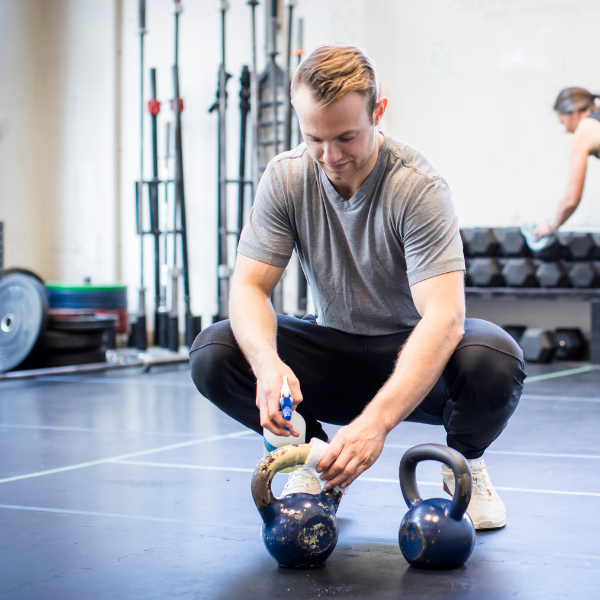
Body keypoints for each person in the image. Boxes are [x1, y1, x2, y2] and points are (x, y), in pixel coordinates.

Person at [190, 45, 525, 530]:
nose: (331, 156)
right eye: (315, 139)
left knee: (494, 356)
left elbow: (444, 317)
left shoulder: (418, 187)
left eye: (346, 137)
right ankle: (314, 461)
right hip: (333, 352)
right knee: (215, 350)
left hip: (414, 359)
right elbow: (248, 287)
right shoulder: (286, 178)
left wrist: (376, 425)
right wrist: (268, 365)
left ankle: (465, 464)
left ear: (378, 111)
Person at [534, 87, 600, 238]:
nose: (566, 130)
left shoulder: (585, 130)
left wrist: (552, 225)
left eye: (563, 122)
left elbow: (571, 200)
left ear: (575, 113)